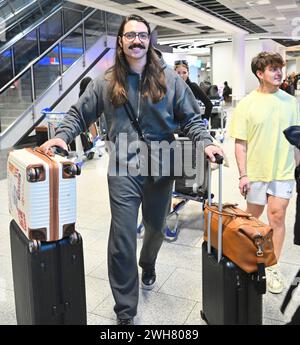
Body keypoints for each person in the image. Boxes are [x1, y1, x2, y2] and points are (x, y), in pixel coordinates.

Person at [40, 14, 223, 325]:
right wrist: (61, 135)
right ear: (121, 42)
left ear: (149, 40)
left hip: (163, 166)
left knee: (155, 229)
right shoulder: (107, 81)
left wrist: (206, 142)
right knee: (123, 236)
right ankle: (126, 310)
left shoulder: (170, 79)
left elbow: (192, 119)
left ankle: (148, 262)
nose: (137, 40)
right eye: (130, 35)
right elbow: (79, 114)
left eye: (142, 35)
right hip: (124, 168)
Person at [230, 51, 300, 294]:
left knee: (277, 216)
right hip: (257, 172)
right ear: (260, 73)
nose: (279, 72)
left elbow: (297, 140)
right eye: (273, 69)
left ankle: (271, 266)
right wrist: (243, 174)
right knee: (252, 217)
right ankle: (249, 257)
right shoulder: (247, 104)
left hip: (283, 170)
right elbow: (241, 143)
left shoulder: (291, 103)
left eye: (279, 68)